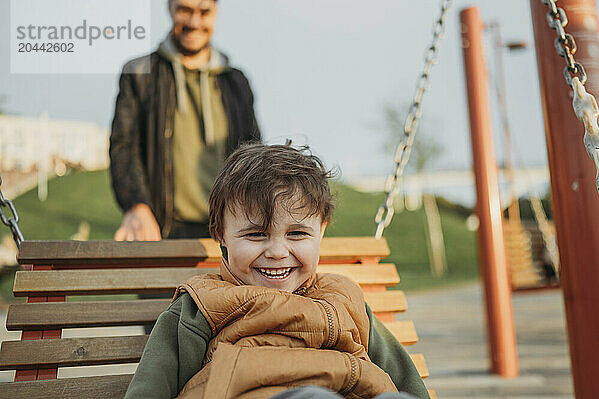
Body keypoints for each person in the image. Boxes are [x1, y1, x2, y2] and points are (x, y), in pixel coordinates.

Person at [124, 144, 430, 399]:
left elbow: (402, 376)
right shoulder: (203, 303)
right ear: (221, 236)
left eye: (297, 234)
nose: (277, 251)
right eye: (256, 234)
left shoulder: (344, 298)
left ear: (321, 232)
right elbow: (152, 385)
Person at [110, 0, 261, 241]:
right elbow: (123, 147)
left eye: (204, 12)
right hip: (161, 231)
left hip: (225, 234)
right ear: (169, 9)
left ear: (216, 13)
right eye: (185, 10)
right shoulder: (138, 73)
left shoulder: (237, 83)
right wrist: (136, 204)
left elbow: (253, 156)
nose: (194, 22)